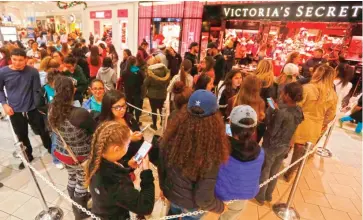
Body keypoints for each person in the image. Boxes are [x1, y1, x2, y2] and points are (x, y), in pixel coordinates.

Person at [158, 90, 229, 219]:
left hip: (172, 195)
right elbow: (203, 199)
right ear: (215, 118)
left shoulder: (171, 135)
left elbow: (162, 165)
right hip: (191, 206)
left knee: (172, 214)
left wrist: (163, 187)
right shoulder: (211, 151)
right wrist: (220, 207)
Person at [48, 75, 96, 219]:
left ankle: (75, 200)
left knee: (72, 176)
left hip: (64, 153)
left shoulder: (52, 109)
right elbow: (94, 130)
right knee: (82, 181)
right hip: (82, 157)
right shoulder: (79, 113)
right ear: (72, 91)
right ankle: (79, 212)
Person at [85, 121, 154, 219]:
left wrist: (127, 166)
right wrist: (146, 172)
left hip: (102, 209)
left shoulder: (95, 158)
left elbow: (116, 168)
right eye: (128, 144)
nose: (128, 146)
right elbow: (145, 207)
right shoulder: (115, 183)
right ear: (116, 149)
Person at [0, 48, 52, 169]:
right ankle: (27, 155)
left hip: (33, 108)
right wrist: (4, 104)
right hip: (15, 110)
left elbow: (36, 90)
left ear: (26, 60)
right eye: (14, 60)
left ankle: (50, 148)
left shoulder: (33, 72)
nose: (17, 63)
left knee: (42, 130)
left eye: (20, 60)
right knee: (21, 135)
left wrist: (40, 106)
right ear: (10, 59)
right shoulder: (3, 72)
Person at [284, 65, 337, 181]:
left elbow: (297, 106)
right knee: (301, 151)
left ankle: (283, 159)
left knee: (289, 143)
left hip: (300, 122)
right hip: (316, 126)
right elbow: (331, 115)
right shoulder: (333, 94)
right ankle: (290, 172)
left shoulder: (307, 88)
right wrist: (322, 122)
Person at [255, 82, 304, 205]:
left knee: (266, 169)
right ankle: (268, 195)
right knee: (275, 170)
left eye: (283, 92)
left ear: (287, 95)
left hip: (272, 145)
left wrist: (271, 111)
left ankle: (260, 195)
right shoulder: (298, 110)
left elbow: (271, 128)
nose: (281, 94)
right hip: (285, 144)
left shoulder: (280, 112)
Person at [215, 105, 264, 220]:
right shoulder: (260, 152)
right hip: (244, 195)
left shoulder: (221, 148)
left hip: (219, 193)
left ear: (230, 124)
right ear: (254, 129)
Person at [98, 90, 144, 167]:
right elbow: (109, 156)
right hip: (120, 165)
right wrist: (129, 139)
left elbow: (139, 137)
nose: (122, 110)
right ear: (108, 108)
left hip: (135, 158)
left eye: (124, 106)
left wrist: (139, 137)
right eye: (117, 107)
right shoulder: (105, 128)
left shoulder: (129, 118)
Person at [35, 68, 64, 169]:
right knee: (55, 141)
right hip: (52, 120)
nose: (57, 85)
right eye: (55, 83)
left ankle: (65, 156)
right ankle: (56, 160)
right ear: (50, 81)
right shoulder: (43, 90)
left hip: (64, 118)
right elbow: (39, 106)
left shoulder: (62, 87)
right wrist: (52, 107)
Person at [143, 56, 170, 130]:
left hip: (153, 95)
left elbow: (145, 83)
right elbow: (168, 82)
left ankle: (154, 125)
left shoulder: (150, 72)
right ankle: (162, 123)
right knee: (162, 109)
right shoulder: (165, 71)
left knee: (154, 110)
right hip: (163, 94)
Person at [121, 56, 144, 124]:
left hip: (128, 92)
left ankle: (130, 120)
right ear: (135, 62)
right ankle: (137, 121)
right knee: (137, 107)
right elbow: (141, 82)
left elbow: (123, 81)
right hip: (137, 92)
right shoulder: (138, 71)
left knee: (129, 106)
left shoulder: (124, 72)